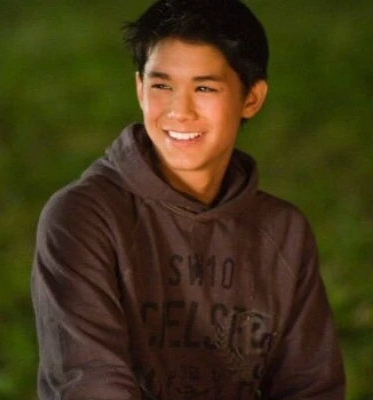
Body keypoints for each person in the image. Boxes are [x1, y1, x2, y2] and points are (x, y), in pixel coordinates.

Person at [31, 0, 345, 398]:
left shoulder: (284, 232)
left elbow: (311, 387)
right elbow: (91, 383)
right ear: (140, 89)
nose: (179, 111)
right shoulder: (83, 219)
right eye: (162, 86)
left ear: (251, 98)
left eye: (204, 88)